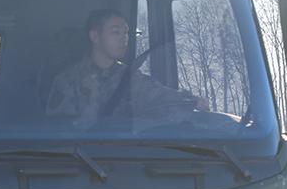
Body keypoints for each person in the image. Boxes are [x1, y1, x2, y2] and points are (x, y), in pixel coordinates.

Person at [46, 9, 204, 125]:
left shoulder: (129, 77)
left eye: (126, 33)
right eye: (116, 32)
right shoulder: (68, 81)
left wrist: (191, 102)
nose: (124, 39)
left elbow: (158, 96)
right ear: (95, 36)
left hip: (125, 158)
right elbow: (59, 133)